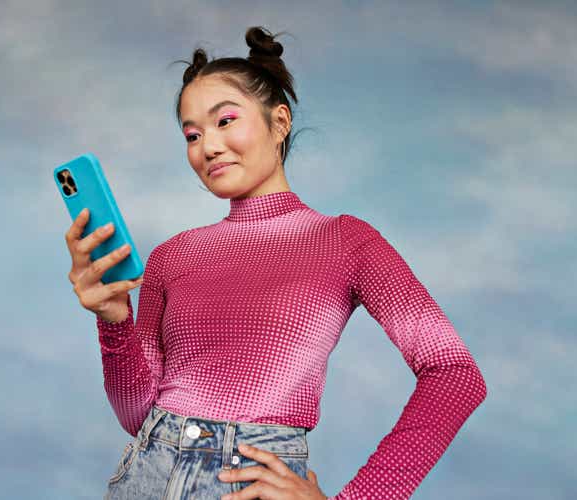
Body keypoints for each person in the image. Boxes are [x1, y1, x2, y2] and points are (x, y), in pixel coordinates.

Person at [65, 25, 487, 500]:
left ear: (280, 122)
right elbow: (136, 415)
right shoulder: (172, 256)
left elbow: (454, 374)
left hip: (247, 485)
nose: (207, 146)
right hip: (145, 477)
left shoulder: (345, 241)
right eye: (192, 134)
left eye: (225, 121)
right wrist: (114, 320)